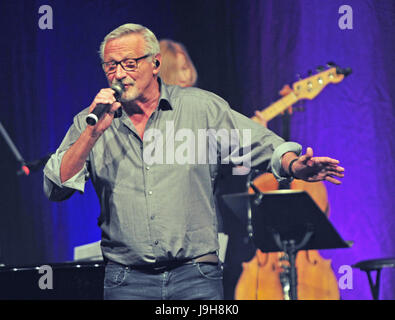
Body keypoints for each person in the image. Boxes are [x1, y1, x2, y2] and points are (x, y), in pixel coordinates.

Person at [43, 23, 344, 300]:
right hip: (126, 281)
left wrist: (294, 165)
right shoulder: (92, 121)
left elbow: (259, 144)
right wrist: (91, 135)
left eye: (130, 64)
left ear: (155, 64)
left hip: (195, 277)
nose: (120, 73)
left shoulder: (200, 108)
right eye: (112, 66)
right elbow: (56, 186)